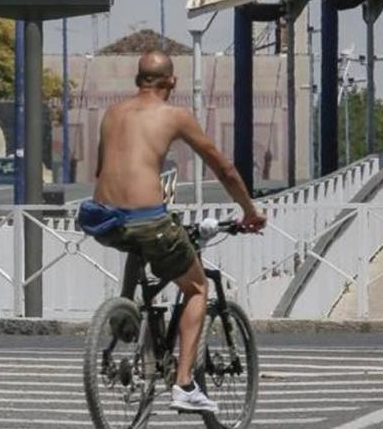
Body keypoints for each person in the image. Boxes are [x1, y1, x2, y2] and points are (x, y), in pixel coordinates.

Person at [78, 50, 267, 414]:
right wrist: (249, 211)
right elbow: (223, 168)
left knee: (137, 240)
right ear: (172, 81)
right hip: (149, 220)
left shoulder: (113, 113)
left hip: (102, 218)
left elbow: (103, 167)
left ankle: (126, 313)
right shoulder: (174, 115)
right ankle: (184, 384)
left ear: (138, 78)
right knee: (197, 287)